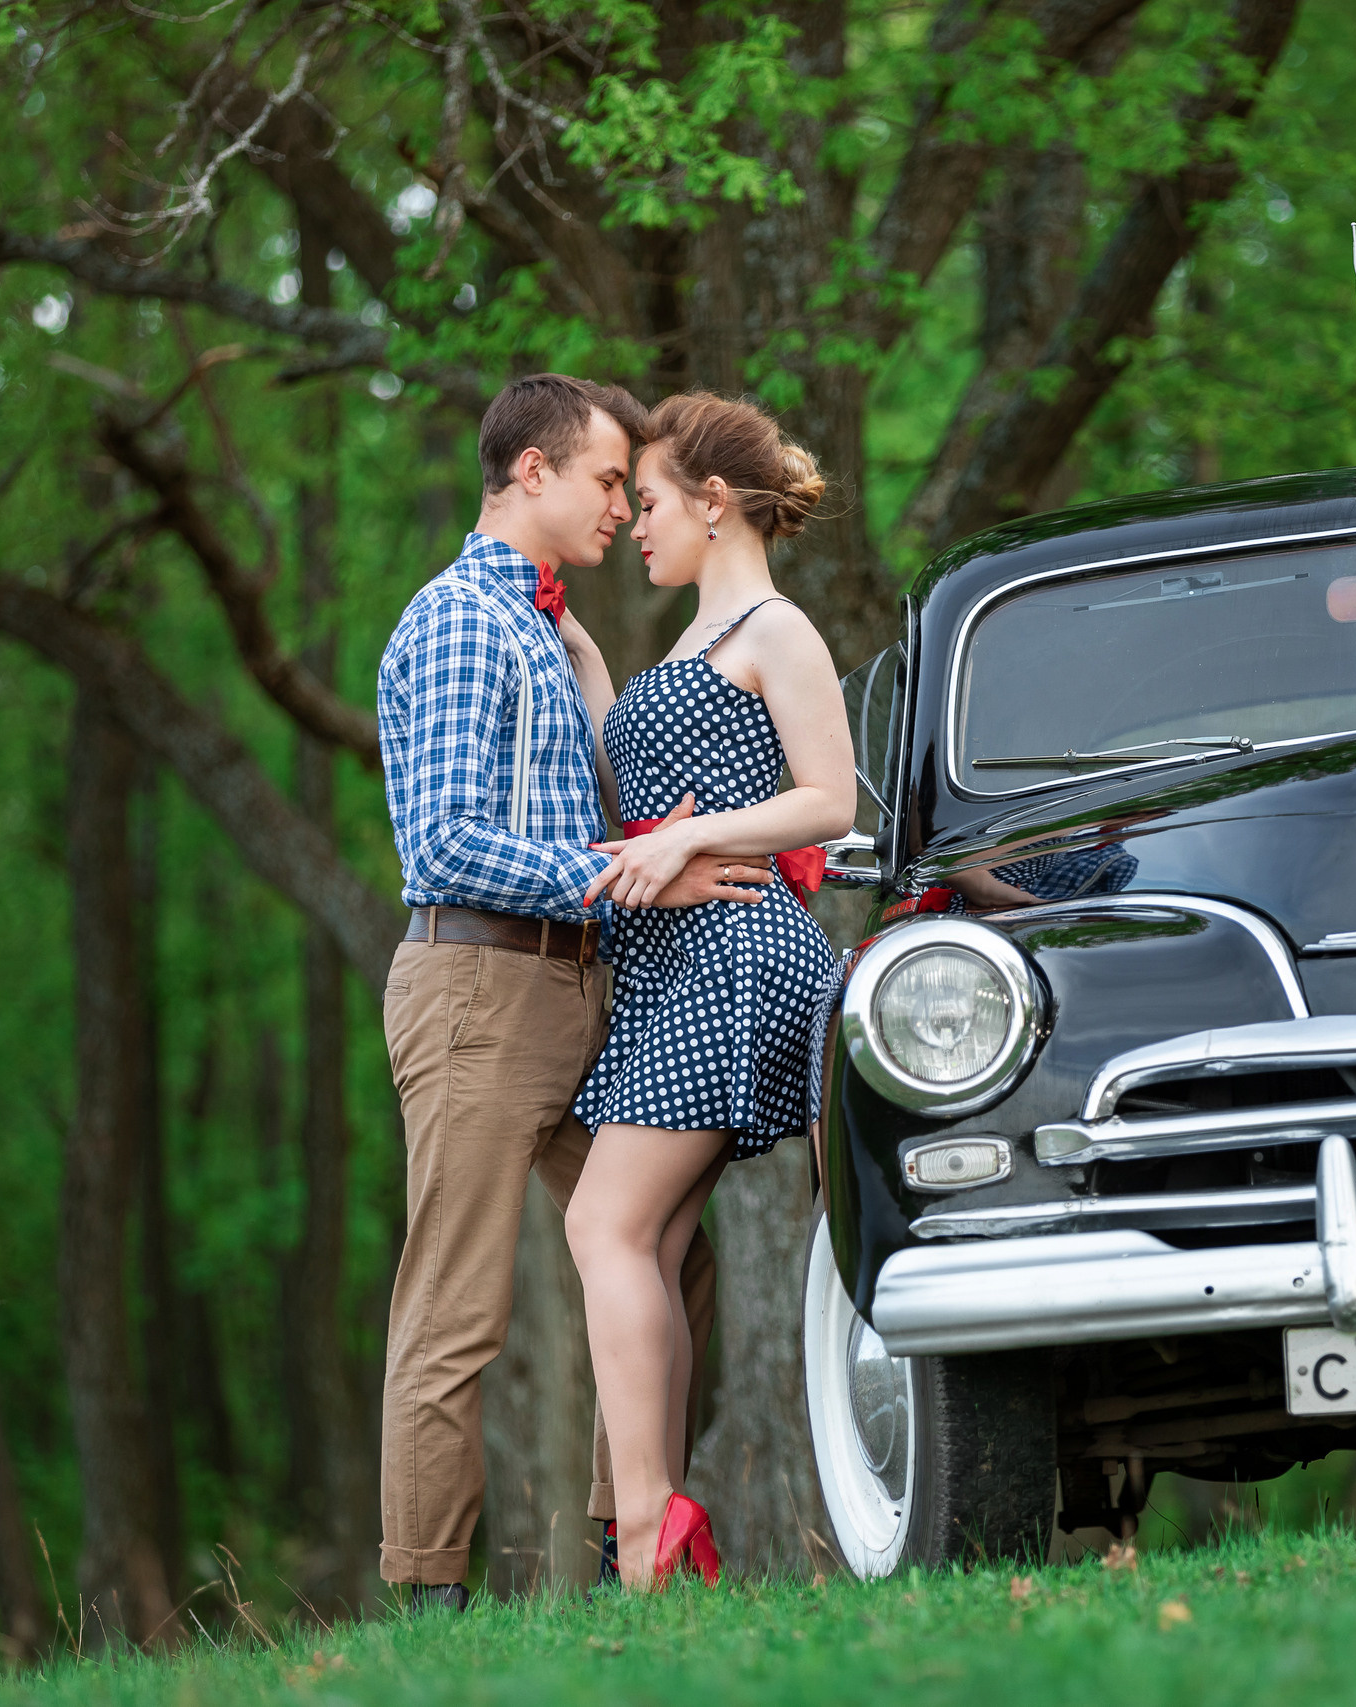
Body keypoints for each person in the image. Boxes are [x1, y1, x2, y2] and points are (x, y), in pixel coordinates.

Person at [375, 374, 771, 1610]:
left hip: (580, 986)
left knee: (666, 1261)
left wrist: (671, 850)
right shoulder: (457, 624)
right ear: (531, 473)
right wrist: (638, 874)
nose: (622, 503)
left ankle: (628, 1554)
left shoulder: (547, 633)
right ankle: (428, 1601)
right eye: (608, 480)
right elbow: (441, 843)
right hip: (479, 987)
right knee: (457, 1309)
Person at [561, 393, 855, 1590]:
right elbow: (645, 800)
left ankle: (645, 1529)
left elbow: (829, 802)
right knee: (655, 1233)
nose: (632, 523)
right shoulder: (685, 643)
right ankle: (656, 1528)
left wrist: (691, 844)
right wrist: (588, 669)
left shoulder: (774, 628)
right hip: (673, 958)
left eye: (650, 501)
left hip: (737, 952)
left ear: (713, 502)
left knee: (605, 1224)